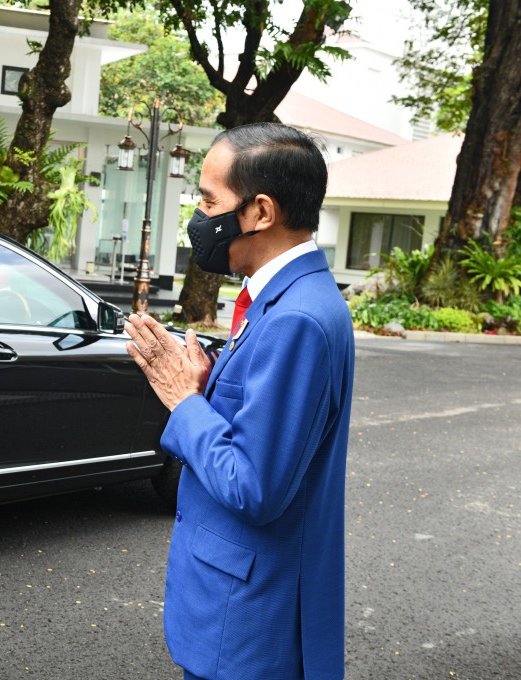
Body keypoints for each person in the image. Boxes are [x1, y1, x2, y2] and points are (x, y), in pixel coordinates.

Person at [124, 123, 354, 680]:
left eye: (209, 201)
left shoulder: (297, 318)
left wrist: (184, 402)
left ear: (261, 212)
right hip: (239, 606)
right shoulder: (279, 299)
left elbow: (255, 486)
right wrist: (206, 390)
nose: (199, 217)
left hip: (249, 625)